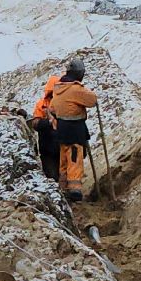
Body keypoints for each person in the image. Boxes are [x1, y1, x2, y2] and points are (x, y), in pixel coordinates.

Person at [44, 60, 100, 200]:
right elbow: (92, 100)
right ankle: (75, 190)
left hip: (62, 129)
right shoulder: (75, 89)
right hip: (75, 129)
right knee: (74, 158)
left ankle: (63, 186)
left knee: (64, 158)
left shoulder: (58, 88)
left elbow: (53, 108)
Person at [29, 70, 63, 180]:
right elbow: (35, 124)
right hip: (47, 149)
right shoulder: (41, 105)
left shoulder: (65, 104)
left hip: (63, 147)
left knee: (66, 177)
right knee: (52, 177)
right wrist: (48, 122)